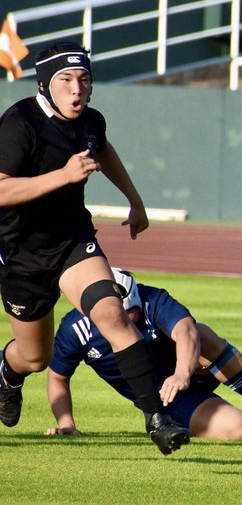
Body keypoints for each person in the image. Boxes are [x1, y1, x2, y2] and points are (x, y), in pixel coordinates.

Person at [0, 42, 189, 455]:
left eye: (84, 80)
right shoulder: (19, 124)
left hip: (72, 242)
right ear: (45, 84)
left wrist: (134, 199)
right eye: (66, 80)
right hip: (22, 255)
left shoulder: (90, 120)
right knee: (35, 358)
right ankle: (6, 373)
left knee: (111, 313)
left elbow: (101, 148)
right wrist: (63, 175)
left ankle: (157, 418)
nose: (77, 90)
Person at [46, 268, 242, 442]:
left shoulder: (149, 298)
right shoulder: (75, 329)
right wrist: (66, 423)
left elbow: (186, 331)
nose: (126, 319)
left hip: (191, 370)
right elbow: (58, 377)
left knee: (200, 332)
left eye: (129, 312)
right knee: (240, 430)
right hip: (168, 401)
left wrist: (182, 372)